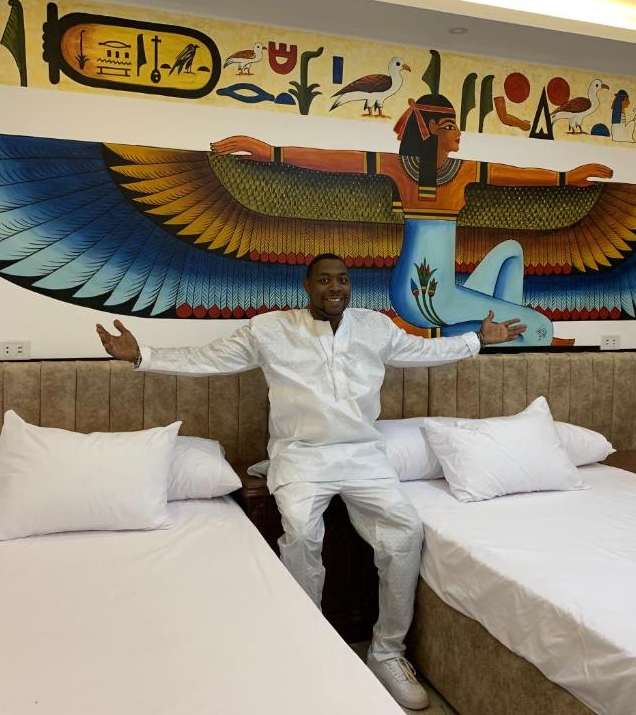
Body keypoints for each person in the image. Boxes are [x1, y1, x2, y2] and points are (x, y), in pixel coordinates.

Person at [95, 253, 526, 710]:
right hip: (301, 457)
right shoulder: (269, 330)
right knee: (301, 533)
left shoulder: (375, 326)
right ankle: (310, 647)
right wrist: (143, 355)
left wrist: (478, 338)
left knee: (406, 532)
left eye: (342, 279)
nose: (335, 287)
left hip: (363, 456)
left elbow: (425, 352)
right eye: (325, 280)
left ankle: (387, 653)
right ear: (307, 285)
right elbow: (211, 358)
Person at [211, 93, 613, 345]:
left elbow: (520, 175)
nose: (459, 135)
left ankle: (491, 335)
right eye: (450, 126)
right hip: (422, 292)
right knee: (541, 327)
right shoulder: (399, 167)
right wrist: (270, 152)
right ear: (428, 130)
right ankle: (505, 333)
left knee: (510, 251)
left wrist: (566, 177)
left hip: (450, 290)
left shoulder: (465, 170)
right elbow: (336, 160)